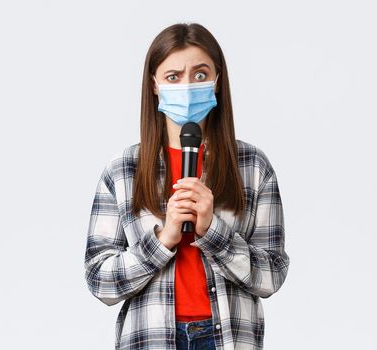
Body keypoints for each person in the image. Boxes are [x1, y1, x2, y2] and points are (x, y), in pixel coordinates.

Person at [84, 22, 290, 350]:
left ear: (218, 81)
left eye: (199, 74)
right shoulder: (123, 170)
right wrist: (164, 239)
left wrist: (213, 232)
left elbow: (272, 275)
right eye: (173, 77)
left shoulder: (252, 166)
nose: (187, 85)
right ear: (154, 84)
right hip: (150, 337)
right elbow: (100, 279)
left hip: (228, 337)